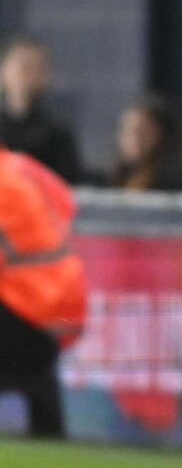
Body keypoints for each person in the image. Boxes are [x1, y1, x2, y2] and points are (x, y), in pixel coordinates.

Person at [0, 145, 87, 436]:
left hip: (24, 306)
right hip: (66, 303)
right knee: (37, 376)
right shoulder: (25, 166)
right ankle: (51, 434)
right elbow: (67, 202)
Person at [0, 35, 83, 183]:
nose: (29, 76)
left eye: (37, 68)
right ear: (4, 71)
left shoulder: (58, 133)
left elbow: (65, 185)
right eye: (23, 66)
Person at [108, 94, 182, 191]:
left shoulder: (178, 178)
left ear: (162, 134)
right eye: (127, 130)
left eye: (143, 132)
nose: (133, 139)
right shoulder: (119, 176)